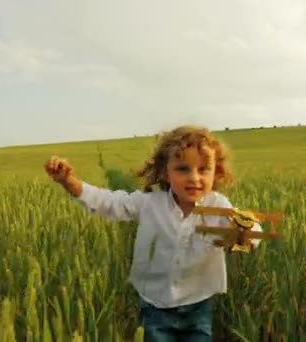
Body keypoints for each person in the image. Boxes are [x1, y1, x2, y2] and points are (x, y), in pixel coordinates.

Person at [44, 125, 262, 341]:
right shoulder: (150, 203)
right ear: (165, 173)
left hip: (198, 306)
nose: (194, 178)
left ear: (216, 173)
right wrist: (69, 182)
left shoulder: (219, 206)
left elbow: (249, 231)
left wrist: (246, 233)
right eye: (183, 169)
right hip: (155, 306)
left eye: (203, 169)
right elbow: (111, 203)